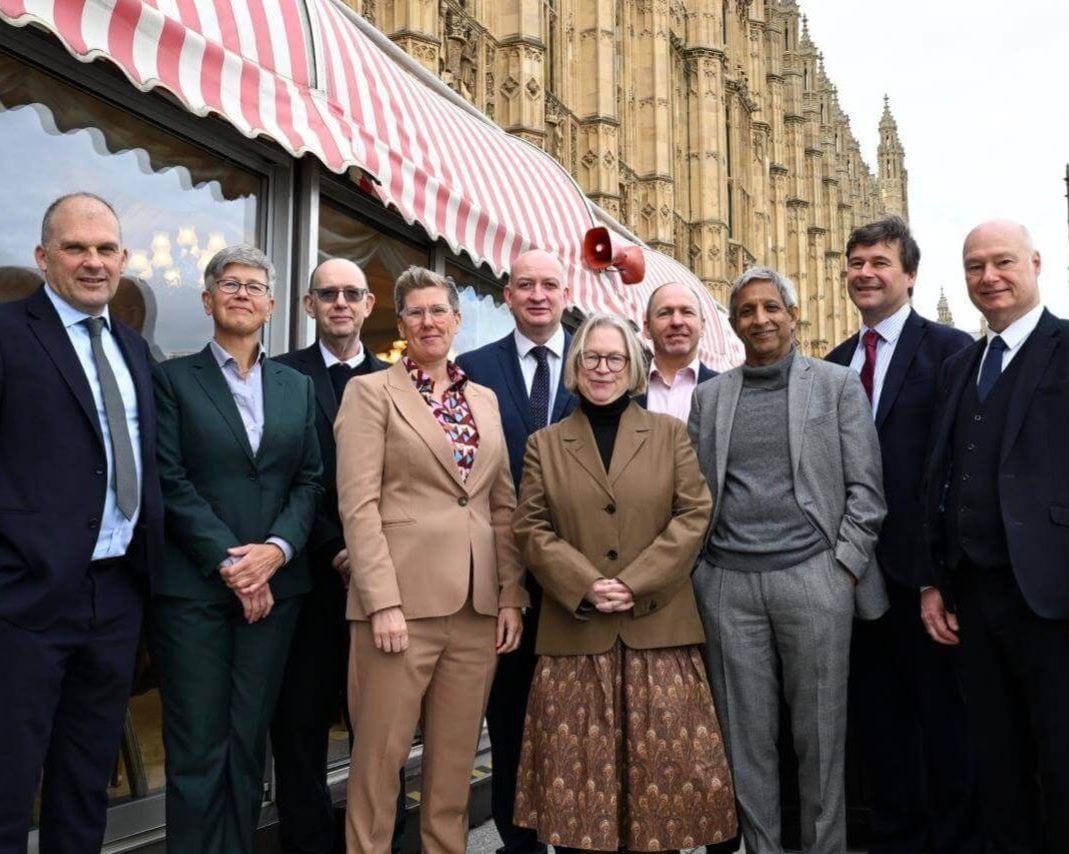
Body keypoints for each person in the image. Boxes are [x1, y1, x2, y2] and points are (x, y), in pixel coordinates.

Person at [511, 312, 735, 852]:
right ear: (576, 365)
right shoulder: (545, 443)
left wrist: (635, 583)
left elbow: (693, 515)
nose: (603, 368)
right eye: (592, 357)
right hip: (575, 636)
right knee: (578, 803)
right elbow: (530, 526)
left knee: (664, 797)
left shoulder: (669, 434)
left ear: (634, 367)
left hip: (657, 631)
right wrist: (585, 583)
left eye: (615, 358)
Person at [688, 266, 887, 854]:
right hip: (729, 587)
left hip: (814, 580)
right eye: (747, 310)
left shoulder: (835, 385)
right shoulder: (710, 396)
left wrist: (841, 568)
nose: (760, 319)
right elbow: (696, 495)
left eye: (771, 307)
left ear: (793, 316)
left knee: (821, 739)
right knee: (745, 742)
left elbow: (867, 491)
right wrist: (702, 574)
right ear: (733, 323)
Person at [336, 265, 527, 854]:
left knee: (451, 774)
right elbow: (359, 506)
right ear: (402, 322)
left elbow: (502, 504)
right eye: (415, 312)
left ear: (456, 319)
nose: (428, 322)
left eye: (438, 310)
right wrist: (382, 603)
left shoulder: (485, 399)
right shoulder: (371, 393)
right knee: (378, 768)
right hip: (400, 611)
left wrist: (512, 596)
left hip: (476, 610)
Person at [0, 192, 164, 853]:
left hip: (116, 596)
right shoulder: (9, 334)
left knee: (85, 783)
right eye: (76, 248)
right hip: (24, 599)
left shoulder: (133, 350)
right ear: (44, 258)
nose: (92, 262)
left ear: (123, 259)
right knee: (8, 788)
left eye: (105, 249)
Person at [151, 244, 322, 853]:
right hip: (194, 592)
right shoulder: (171, 378)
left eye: (255, 286)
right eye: (231, 283)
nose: (243, 293)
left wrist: (274, 552)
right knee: (197, 747)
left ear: (272, 305)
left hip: (276, 596)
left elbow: (309, 481)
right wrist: (234, 563)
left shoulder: (295, 388)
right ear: (207, 299)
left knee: (248, 742)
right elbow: (168, 479)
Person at [826, 216, 978, 854]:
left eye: (879, 263)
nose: (865, 273)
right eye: (856, 263)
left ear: (909, 276)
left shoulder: (950, 352)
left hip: (926, 581)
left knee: (945, 729)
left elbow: (958, 470)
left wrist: (936, 577)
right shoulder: (832, 365)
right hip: (856, 582)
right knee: (880, 729)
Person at [920, 220, 1069, 854]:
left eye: (1002, 263)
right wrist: (932, 577)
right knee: (996, 759)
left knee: (1062, 757)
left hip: (1052, 594)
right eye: (976, 267)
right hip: (973, 598)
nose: (989, 278)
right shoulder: (961, 365)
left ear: (1035, 264)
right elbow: (940, 473)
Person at [270, 257, 403, 854]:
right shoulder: (280, 376)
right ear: (309, 306)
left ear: (369, 306)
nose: (341, 304)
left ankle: (376, 839)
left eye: (353, 294)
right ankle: (309, 842)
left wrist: (369, 553)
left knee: (381, 728)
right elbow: (283, 477)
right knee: (298, 726)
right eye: (328, 294)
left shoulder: (398, 383)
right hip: (308, 579)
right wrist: (334, 545)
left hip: (383, 585)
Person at [455, 248, 577, 854]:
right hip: (499, 573)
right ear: (506, 294)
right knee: (507, 718)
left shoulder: (600, 361)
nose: (537, 295)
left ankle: (575, 831)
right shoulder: (471, 367)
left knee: (577, 722)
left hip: (578, 579)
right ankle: (517, 839)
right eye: (525, 285)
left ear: (566, 292)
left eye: (548, 285)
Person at [635, 280, 718, 416]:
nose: (677, 322)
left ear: (702, 326)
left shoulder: (727, 391)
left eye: (687, 312)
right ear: (647, 328)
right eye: (665, 313)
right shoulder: (625, 389)